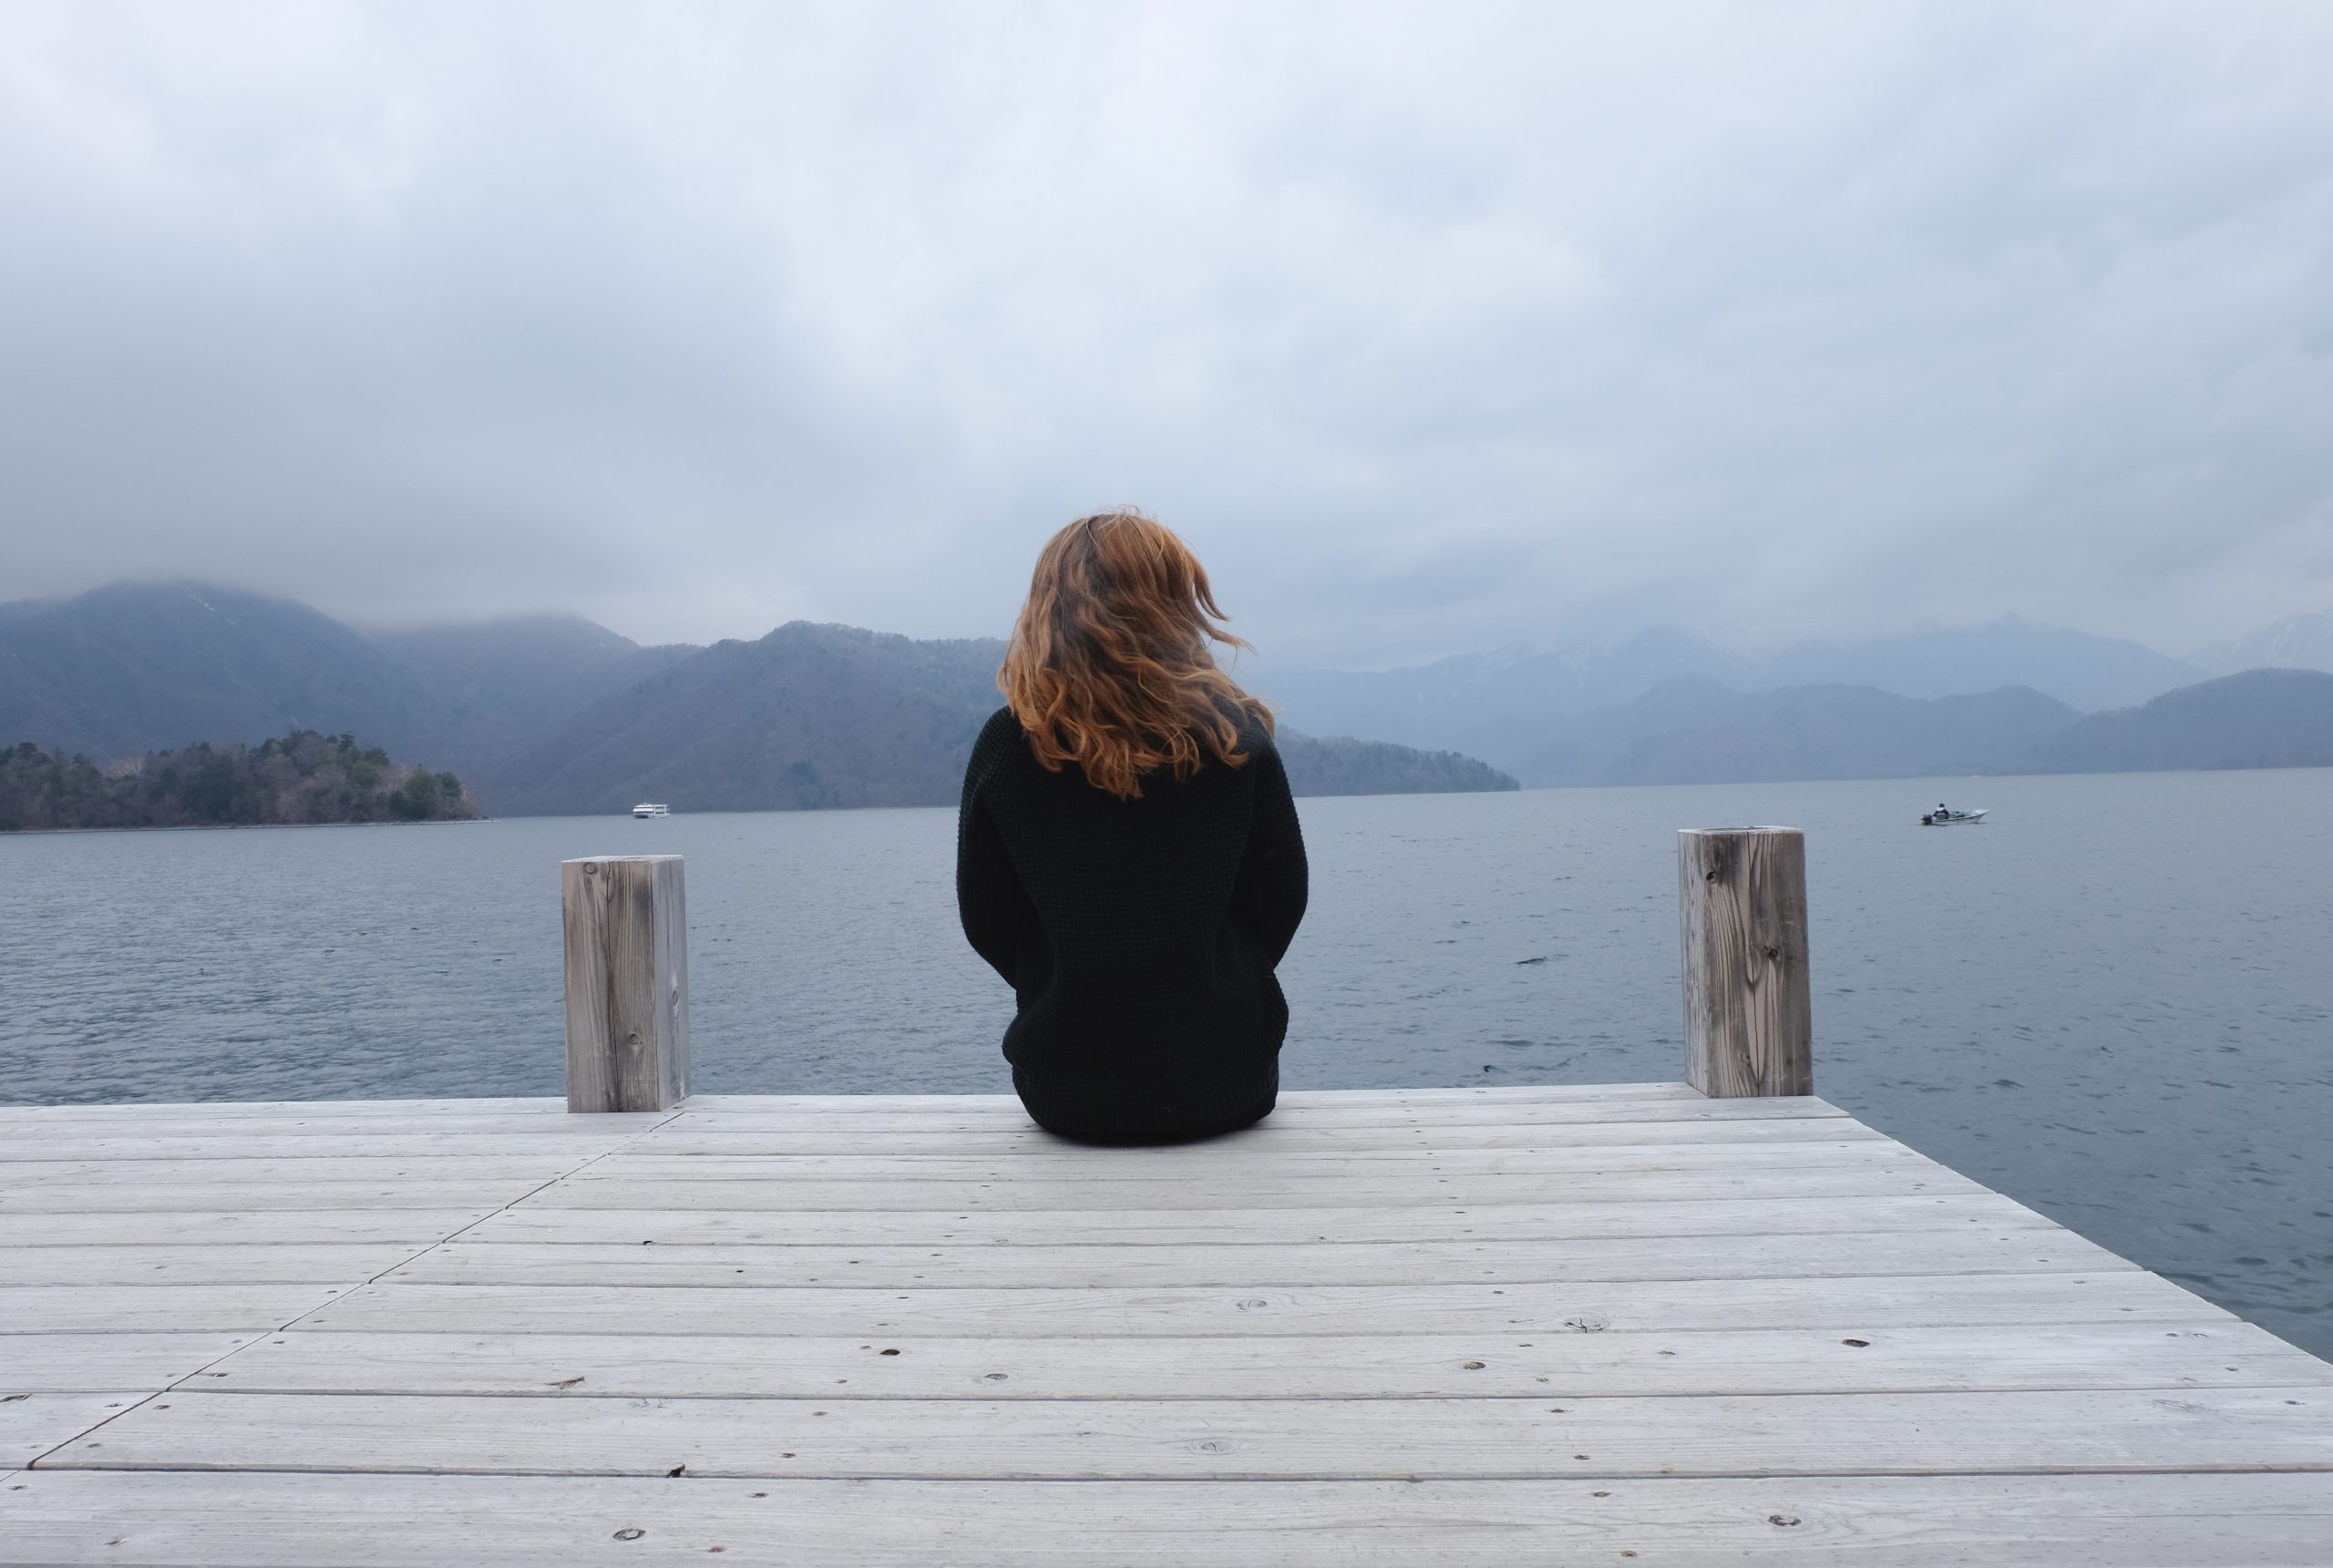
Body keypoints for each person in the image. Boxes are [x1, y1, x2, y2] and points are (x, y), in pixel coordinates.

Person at [956, 509, 1308, 1144]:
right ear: (1172, 605)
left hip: (1067, 1095)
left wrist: (1071, 972)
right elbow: (1282, 899)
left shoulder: (1010, 744)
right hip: (1229, 1083)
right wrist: (1210, 973)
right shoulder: (1234, 737)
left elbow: (987, 917)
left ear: (1046, 606)